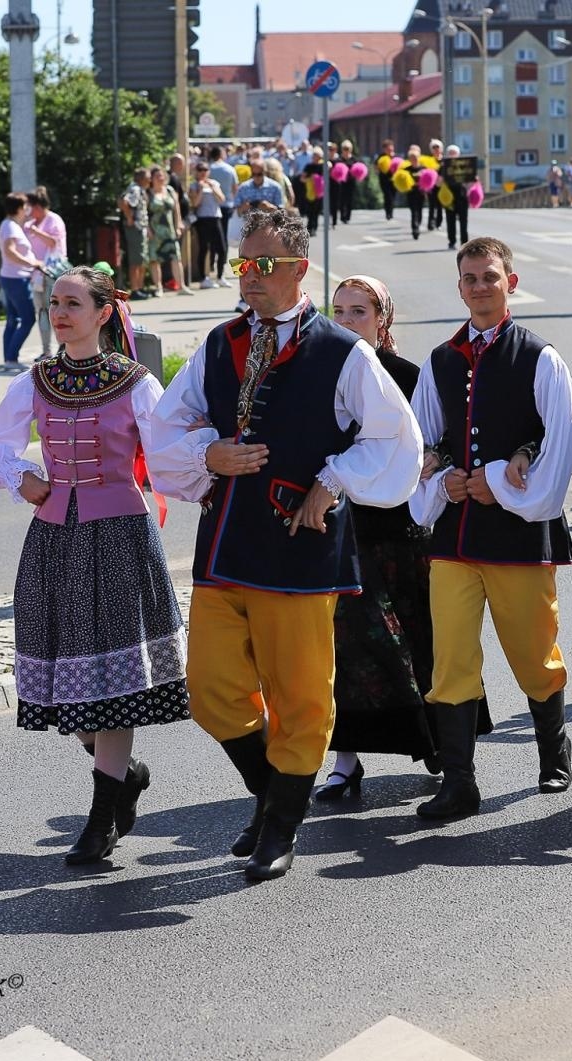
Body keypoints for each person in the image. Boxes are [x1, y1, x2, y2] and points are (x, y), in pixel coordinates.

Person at [147, 208, 422, 881]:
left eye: (263, 264)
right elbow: (161, 432)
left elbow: (396, 437)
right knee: (211, 690)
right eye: (244, 263)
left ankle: (281, 826)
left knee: (301, 696)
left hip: (302, 552)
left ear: (299, 268)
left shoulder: (341, 350)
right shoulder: (219, 344)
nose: (250, 275)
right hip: (226, 547)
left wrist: (334, 481)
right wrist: (207, 453)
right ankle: (273, 793)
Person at [0, 267, 190, 864]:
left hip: (119, 536)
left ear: (101, 313)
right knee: (67, 683)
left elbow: (173, 451)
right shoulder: (36, 380)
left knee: (114, 680)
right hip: (54, 543)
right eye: (54, 304)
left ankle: (100, 817)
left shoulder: (136, 383)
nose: (60, 313)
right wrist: (25, 479)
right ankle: (123, 773)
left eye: (72, 303)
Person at [408, 236, 572, 821]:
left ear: (510, 281)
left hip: (518, 535)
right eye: (469, 278)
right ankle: (459, 782)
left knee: (534, 654)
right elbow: (422, 439)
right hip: (454, 538)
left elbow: (566, 437)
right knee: (451, 661)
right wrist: (441, 481)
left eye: (489, 276)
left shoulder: (539, 356)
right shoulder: (439, 360)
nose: (480, 287)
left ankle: (553, 748)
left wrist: (507, 484)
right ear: (459, 287)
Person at [316, 276, 494, 800]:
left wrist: (433, 460)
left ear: (382, 319)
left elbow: (440, 435)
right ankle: (344, 763)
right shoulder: (318, 374)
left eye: (359, 312)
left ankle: (440, 744)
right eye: (340, 312)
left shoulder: (405, 376)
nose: (348, 322)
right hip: (337, 532)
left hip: (399, 533)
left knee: (418, 642)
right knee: (338, 651)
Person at [0, 192, 44, 365]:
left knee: (13, 319)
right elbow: (10, 251)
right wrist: (31, 262)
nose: (27, 210)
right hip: (17, 279)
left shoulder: (9, 225)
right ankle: (11, 356)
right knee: (27, 319)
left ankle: (9, 358)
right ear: (18, 208)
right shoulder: (10, 226)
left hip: (11, 277)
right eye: (25, 206)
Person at [23, 188, 70, 357]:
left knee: (57, 312)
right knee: (42, 312)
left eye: (30, 206)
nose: (28, 210)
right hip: (37, 275)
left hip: (52, 274)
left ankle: (64, 348)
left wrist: (36, 232)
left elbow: (54, 243)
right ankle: (46, 350)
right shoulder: (30, 223)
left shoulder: (53, 220)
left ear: (38, 206)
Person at [147, 166, 188, 296]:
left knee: (176, 258)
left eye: (162, 176)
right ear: (151, 179)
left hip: (170, 230)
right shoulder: (148, 193)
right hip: (155, 231)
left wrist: (179, 224)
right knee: (155, 259)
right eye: (157, 176)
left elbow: (176, 209)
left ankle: (181, 286)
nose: (161, 178)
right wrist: (147, 229)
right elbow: (144, 213)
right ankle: (158, 287)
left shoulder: (170, 190)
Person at [189, 161, 228, 290]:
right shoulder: (194, 186)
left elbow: (222, 199)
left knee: (221, 248)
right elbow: (195, 203)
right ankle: (203, 278)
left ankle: (220, 276)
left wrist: (213, 188)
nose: (203, 173)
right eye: (200, 170)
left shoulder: (214, 183)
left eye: (205, 170)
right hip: (202, 219)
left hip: (215, 217)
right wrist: (200, 189)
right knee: (204, 248)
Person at [119, 168, 153, 299]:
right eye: (148, 177)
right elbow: (123, 201)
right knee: (135, 259)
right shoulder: (135, 189)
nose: (150, 179)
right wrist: (129, 219)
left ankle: (139, 287)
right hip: (135, 229)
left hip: (140, 228)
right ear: (141, 178)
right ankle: (135, 289)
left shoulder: (139, 189)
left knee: (141, 259)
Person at [207, 145, 240, 250]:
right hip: (227, 205)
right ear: (221, 154)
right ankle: (223, 260)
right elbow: (235, 189)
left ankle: (212, 259)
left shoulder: (207, 169)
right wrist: (236, 204)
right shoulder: (230, 169)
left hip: (211, 207)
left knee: (212, 236)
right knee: (224, 234)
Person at [441, 145, 472, 251]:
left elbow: (470, 180)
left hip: (462, 196)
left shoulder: (464, 166)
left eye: (454, 153)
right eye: (450, 153)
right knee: (450, 220)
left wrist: (474, 180)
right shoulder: (443, 166)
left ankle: (464, 244)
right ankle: (451, 241)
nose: (452, 155)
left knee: (464, 221)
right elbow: (437, 182)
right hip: (449, 197)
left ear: (458, 155)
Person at [333, 140, 359, 224]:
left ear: (350, 149)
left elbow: (359, 168)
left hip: (351, 181)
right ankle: (342, 216)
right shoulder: (339, 159)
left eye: (347, 148)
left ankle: (348, 216)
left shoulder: (354, 159)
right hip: (341, 182)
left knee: (350, 199)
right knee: (342, 199)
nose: (346, 150)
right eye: (344, 148)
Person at [377, 139, 398, 221]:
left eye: (391, 149)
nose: (390, 151)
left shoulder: (395, 157)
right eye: (388, 149)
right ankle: (388, 213)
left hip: (394, 180)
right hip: (384, 180)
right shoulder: (381, 157)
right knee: (387, 196)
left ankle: (391, 212)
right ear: (384, 149)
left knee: (393, 196)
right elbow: (376, 167)